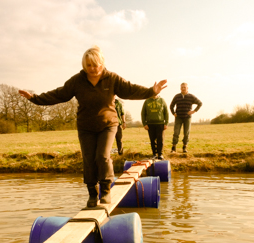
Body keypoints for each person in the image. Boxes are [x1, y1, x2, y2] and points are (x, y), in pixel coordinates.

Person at [19, 46, 167, 207]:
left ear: (102, 64)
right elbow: (59, 94)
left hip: (108, 124)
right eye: (89, 65)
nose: (93, 69)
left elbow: (130, 90)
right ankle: (92, 193)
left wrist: (151, 91)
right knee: (89, 159)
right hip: (86, 126)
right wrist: (34, 98)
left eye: (96, 65)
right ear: (84, 66)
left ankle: (106, 191)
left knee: (102, 156)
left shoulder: (112, 79)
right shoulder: (77, 81)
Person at [170, 83, 202, 153]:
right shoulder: (177, 96)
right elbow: (171, 105)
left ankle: (184, 147)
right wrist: (173, 113)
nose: (183, 88)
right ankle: (173, 147)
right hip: (178, 117)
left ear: (187, 88)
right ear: (180, 88)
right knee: (176, 132)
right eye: (182, 87)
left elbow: (200, 103)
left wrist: (194, 111)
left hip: (187, 117)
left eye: (185, 87)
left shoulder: (191, 96)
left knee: (186, 133)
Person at [141, 94, 168, 160]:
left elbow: (166, 112)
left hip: (160, 123)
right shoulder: (147, 101)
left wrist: (166, 123)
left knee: (160, 140)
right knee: (152, 140)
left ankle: (160, 154)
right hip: (150, 124)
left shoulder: (162, 100)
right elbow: (143, 113)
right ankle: (154, 154)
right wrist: (144, 124)